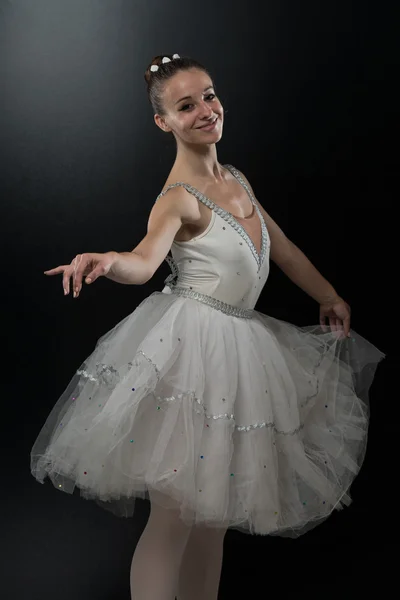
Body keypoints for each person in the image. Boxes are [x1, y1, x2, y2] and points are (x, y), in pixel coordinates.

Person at [30, 54, 386, 600]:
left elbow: (281, 247)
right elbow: (145, 261)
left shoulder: (235, 178)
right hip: (194, 350)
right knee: (174, 516)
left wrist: (329, 295)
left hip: (242, 348)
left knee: (214, 514)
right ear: (163, 122)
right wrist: (107, 259)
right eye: (186, 105)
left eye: (210, 96)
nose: (206, 111)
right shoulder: (178, 198)